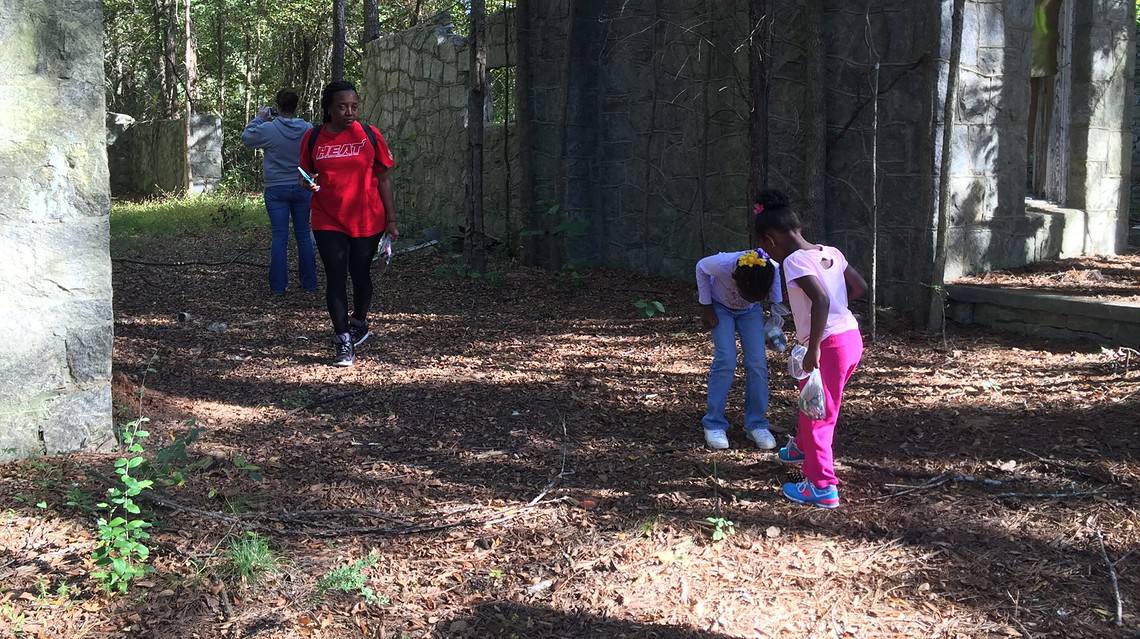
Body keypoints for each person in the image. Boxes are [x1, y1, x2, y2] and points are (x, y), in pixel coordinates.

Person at [752, 190, 867, 509]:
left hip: (827, 345)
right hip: (850, 339)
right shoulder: (830, 252)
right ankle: (802, 447)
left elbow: (820, 300)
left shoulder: (793, 261)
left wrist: (814, 346)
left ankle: (822, 486)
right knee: (813, 399)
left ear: (770, 239)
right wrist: (837, 316)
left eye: (763, 245)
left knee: (819, 413)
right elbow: (859, 287)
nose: (765, 251)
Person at [299, 80, 398, 367]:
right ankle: (343, 340)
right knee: (335, 276)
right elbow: (304, 174)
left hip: (367, 219)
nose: (349, 112)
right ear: (329, 108)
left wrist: (391, 219)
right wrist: (308, 184)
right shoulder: (313, 137)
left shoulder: (369, 135)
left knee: (360, 273)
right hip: (327, 219)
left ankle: (359, 321)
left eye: (354, 106)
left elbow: (383, 178)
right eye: (342, 107)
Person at [696, 248, 783, 450]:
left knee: (757, 363)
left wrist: (775, 317)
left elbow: (776, 275)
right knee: (726, 359)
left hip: (750, 314)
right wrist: (706, 306)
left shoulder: (770, 267)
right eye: (748, 295)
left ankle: (756, 424)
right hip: (720, 307)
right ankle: (714, 423)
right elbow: (701, 267)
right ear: (736, 280)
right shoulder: (723, 264)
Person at [241, 88, 318, 296]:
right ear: (296, 105)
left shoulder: (268, 128)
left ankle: (278, 287)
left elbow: (246, 138)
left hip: (276, 189)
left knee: (280, 237)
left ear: (277, 105)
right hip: (302, 187)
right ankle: (309, 284)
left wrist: (259, 118)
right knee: (303, 235)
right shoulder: (308, 129)